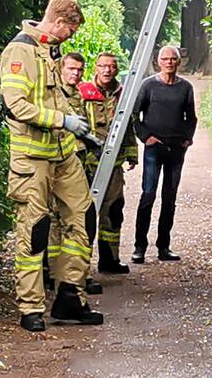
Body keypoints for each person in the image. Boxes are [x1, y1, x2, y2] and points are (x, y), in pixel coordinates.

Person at [0, 0, 103, 332]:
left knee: (83, 214)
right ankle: (31, 306)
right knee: (35, 228)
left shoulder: (49, 50)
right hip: (32, 158)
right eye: (71, 29)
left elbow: (55, 97)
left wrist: (80, 130)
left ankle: (70, 296)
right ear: (59, 21)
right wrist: (62, 120)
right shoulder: (19, 52)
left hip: (63, 153)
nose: (71, 36)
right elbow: (15, 105)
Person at [131, 46, 197, 264]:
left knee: (169, 198)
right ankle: (139, 247)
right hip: (154, 148)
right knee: (148, 195)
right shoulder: (148, 85)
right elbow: (134, 114)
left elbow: (191, 117)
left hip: (176, 149)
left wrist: (187, 138)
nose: (169, 62)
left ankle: (164, 246)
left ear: (179, 62)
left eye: (173, 59)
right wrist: (145, 136)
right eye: (165, 59)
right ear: (158, 62)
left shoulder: (185, 88)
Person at [43, 52, 103, 295]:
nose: (75, 74)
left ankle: (76, 276)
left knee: (78, 220)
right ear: (60, 68)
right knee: (58, 221)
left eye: (79, 70)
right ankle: (57, 274)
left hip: (78, 160)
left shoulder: (79, 94)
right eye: (71, 69)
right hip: (59, 160)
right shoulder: (56, 94)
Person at [78, 52, 138, 274]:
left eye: (111, 67)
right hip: (87, 163)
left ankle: (109, 259)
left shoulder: (123, 94)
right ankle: (82, 266)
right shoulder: (83, 93)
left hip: (113, 164)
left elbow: (128, 127)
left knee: (113, 211)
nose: (107, 70)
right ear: (96, 68)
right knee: (84, 213)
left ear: (116, 69)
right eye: (102, 66)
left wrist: (132, 154)